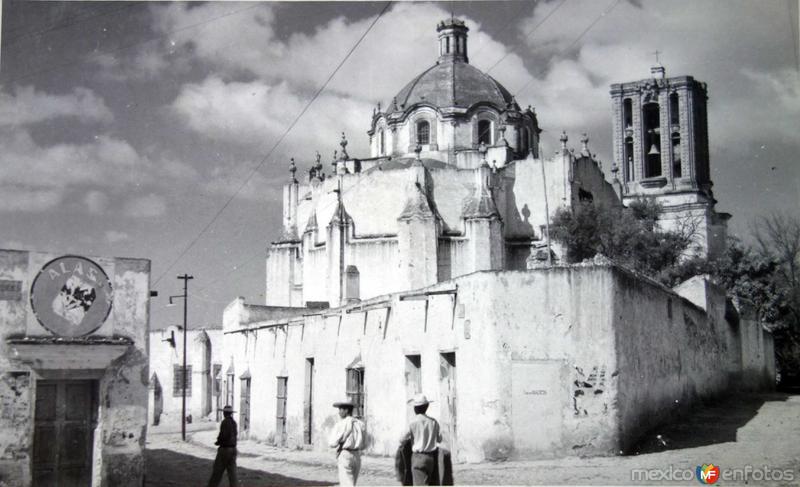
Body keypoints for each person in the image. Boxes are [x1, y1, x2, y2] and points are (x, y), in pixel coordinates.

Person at [401, 394, 443, 485]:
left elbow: (402, 439)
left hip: (418, 457)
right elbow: (439, 439)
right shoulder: (433, 422)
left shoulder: (413, 422)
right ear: (426, 407)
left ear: (415, 409)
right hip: (430, 457)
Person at [328, 398, 366, 486]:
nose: (339, 412)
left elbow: (332, 443)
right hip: (357, 456)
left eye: (340, 409)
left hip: (345, 455)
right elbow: (365, 444)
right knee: (352, 483)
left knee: (347, 484)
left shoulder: (340, 424)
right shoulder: (360, 424)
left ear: (346, 410)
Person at [207, 405, 238, 487]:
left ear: (224, 413)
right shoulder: (234, 422)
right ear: (231, 413)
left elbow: (223, 436)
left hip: (225, 449)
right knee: (232, 474)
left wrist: (218, 441)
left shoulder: (225, 422)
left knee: (217, 472)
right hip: (233, 449)